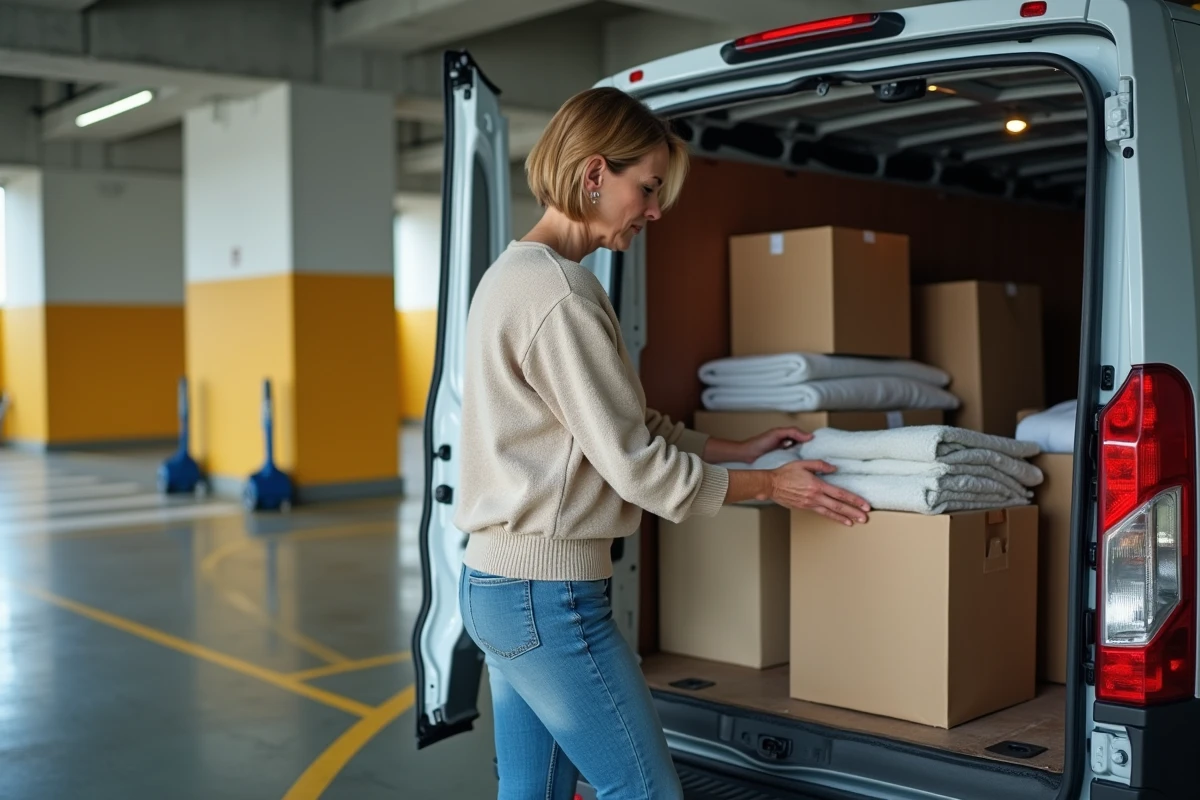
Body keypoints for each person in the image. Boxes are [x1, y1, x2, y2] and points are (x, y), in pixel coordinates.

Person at [453, 86, 872, 800]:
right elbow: (639, 470)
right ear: (593, 175)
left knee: (533, 794)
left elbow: (620, 428)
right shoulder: (559, 296)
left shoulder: (518, 276)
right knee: (645, 792)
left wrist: (739, 450)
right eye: (645, 189)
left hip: (499, 587)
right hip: (546, 597)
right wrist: (774, 485)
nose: (654, 210)